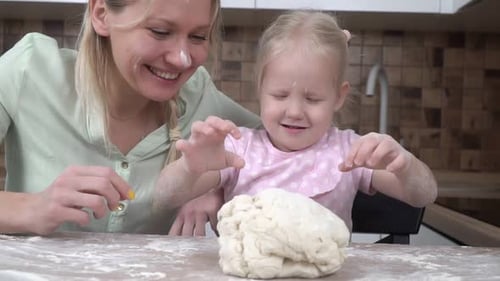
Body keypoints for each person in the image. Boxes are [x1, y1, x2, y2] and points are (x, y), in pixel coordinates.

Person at [0, 0, 260, 235]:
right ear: (101, 14)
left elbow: (291, 151)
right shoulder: (29, 69)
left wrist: (221, 186)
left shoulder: (202, 99)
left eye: (198, 36)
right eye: (160, 31)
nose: (181, 59)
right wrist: (32, 207)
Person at [165, 10, 438, 233]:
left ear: (338, 97)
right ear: (260, 89)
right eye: (280, 95)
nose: (294, 111)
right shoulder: (238, 148)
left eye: (313, 98)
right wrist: (190, 168)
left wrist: (405, 165)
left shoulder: (350, 153)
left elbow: (423, 195)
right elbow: (166, 196)